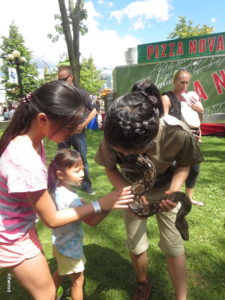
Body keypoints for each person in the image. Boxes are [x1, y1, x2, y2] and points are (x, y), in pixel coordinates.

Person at [0, 80, 134, 300]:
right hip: (11, 236)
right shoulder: (24, 157)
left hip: (22, 227)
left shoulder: (34, 142)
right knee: (47, 294)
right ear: (43, 119)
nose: (73, 133)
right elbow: (51, 220)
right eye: (69, 127)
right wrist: (100, 204)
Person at [95, 79, 203, 300]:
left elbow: (185, 163)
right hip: (131, 187)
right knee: (136, 245)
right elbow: (109, 168)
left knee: (174, 247)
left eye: (132, 151)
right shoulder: (113, 133)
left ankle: (181, 297)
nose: (124, 154)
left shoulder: (177, 132)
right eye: (120, 151)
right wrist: (131, 193)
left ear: (151, 135)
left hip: (166, 187)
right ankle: (143, 283)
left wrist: (173, 191)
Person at [48, 148, 120, 300]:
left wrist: (83, 205)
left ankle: (49, 295)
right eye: (77, 170)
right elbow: (93, 221)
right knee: (78, 282)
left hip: (59, 244)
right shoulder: (71, 199)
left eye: (82, 169)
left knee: (61, 271)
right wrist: (110, 206)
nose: (82, 174)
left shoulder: (57, 190)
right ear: (60, 175)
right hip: (70, 249)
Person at [161, 69, 205, 206]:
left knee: (195, 168)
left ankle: (188, 198)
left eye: (187, 83)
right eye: (182, 82)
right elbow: (163, 121)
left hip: (194, 137)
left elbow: (198, 120)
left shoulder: (191, 97)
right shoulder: (167, 97)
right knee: (177, 168)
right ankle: (172, 195)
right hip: (176, 139)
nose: (185, 86)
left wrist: (201, 111)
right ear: (174, 82)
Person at [57, 65, 97, 195]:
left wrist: (83, 124)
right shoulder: (59, 93)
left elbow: (94, 111)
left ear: (71, 77)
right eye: (59, 80)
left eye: (64, 79)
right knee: (63, 159)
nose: (62, 82)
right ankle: (66, 187)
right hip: (63, 132)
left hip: (78, 133)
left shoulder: (81, 92)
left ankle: (86, 186)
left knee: (82, 159)